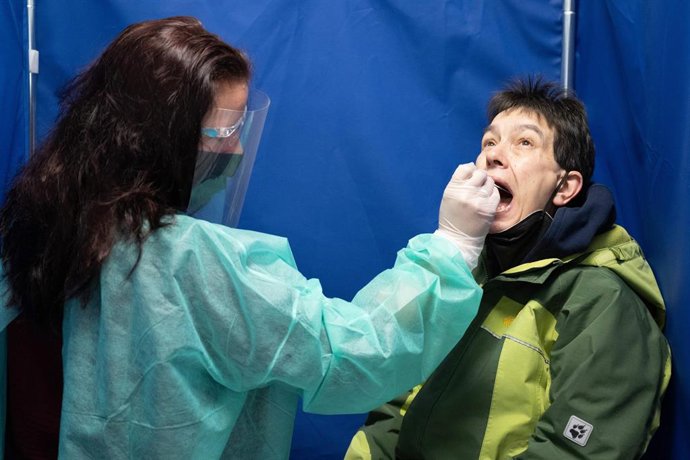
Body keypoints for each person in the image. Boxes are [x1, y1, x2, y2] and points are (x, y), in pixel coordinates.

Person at [0, 16, 500, 459]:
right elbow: (352, 351)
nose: (236, 147)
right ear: (160, 132)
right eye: (222, 130)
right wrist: (451, 248)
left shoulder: (37, 225)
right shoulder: (189, 261)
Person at [346, 77, 671, 459]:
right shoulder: (461, 276)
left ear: (565, 188)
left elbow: (576, 451)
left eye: (524, 142)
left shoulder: (601, 302)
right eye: (489, 142)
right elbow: (394, 403)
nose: (494, 156)